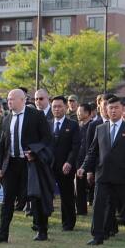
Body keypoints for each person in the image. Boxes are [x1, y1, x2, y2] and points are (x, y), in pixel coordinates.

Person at [81, 95, 125, 245]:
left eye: (116, 108)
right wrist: (84, 167)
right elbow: (92, 151)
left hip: (124, 176)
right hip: (103, 175)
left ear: (122, 110)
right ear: (106, 110)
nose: (114, 111)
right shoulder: (100, 128)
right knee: (98, 206)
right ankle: (97, 236)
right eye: (111, 108)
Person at [0, 88, 50, 243]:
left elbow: (46, 139)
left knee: (35, 197)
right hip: (11, 164)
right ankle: (2, 234)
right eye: (8, 99)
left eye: (12, 99)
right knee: (7, 200)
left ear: (22, 100)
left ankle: (42, 230)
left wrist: (34, 152)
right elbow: (3, 145)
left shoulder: (36, 116)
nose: (9, 101)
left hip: (30, 163)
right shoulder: (7, 119)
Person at [47, 96, 81, 231]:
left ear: (66, 107)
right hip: (49, 166)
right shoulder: (47, 124)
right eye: (54, 106)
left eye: (59, 106)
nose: (56, 109)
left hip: (65, 166)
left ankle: (68, 223)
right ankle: (42, 221)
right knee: (45, 194)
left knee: (67, 196)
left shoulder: (72, 125)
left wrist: (69, 162)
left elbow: (76, 146)